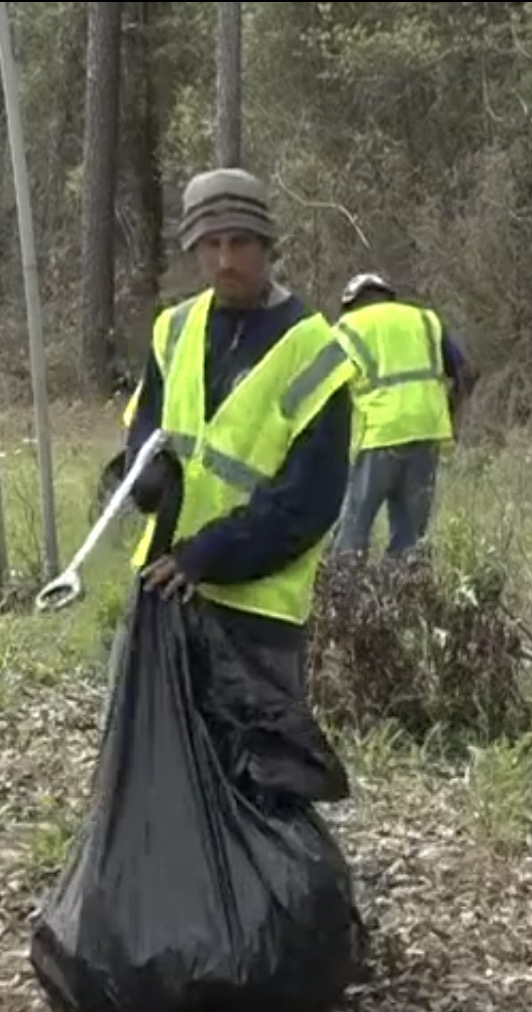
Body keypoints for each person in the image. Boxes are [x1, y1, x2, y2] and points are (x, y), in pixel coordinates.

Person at [116, 168, 356, 704]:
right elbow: (146, 428)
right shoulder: (173, 329)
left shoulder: (312, 349)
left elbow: (311, 498)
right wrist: (145, 478)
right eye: (210, 245)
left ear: (266, 246)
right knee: (162, 776)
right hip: (165, 591)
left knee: (256, 778)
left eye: (239, 244)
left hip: (256, 612)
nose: (224, 261)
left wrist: (210, 553)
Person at [329, 272, 470, 559]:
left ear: (350, 304)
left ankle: (345, 600)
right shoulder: (424, 320)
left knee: (351, 535)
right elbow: (465, 373)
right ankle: (402, 600)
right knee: (410, 542)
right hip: (427, 433)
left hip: (376, 436)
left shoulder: (347, 328)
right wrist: (451, 415)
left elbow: (323, 393)